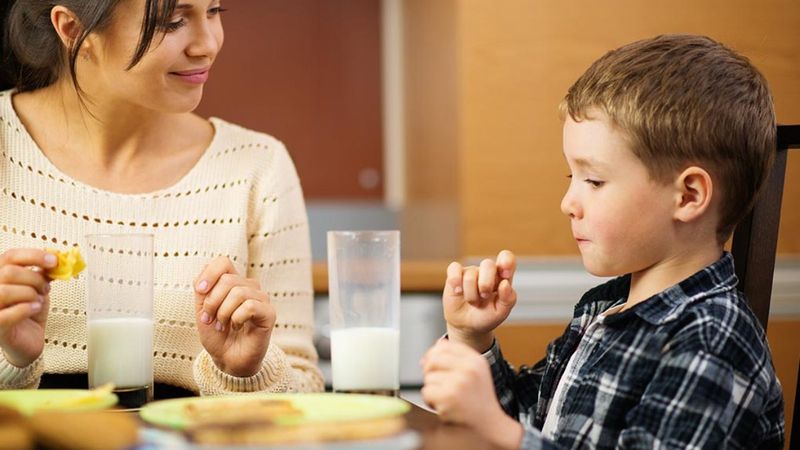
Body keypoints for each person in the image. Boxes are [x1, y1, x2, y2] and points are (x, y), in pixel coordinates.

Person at [420, 34, 785, 449]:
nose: (567, 203)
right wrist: (473, 341)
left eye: (593, 180)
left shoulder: (713, 342)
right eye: (569, 177)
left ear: (688, 196)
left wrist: (499, 431)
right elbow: (536, 427)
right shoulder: (606, 308)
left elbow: (511, 437)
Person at [0, 0, 324, 395]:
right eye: (172, 22)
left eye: (215, 11)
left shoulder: (257, 167)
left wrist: (245, 372)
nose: (207, 44)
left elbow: (305, 393)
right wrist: (10, 360)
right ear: (71, 29)